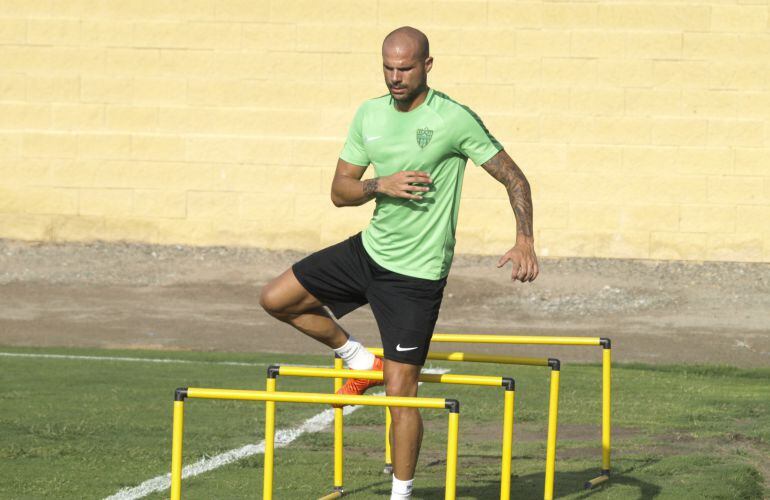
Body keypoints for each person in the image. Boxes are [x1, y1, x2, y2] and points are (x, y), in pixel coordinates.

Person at [259, 26, 538, 499]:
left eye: (404, 68)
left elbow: (514, 178)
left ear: (427, 66)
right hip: (368, 252)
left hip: (416, 278)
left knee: (400, 394)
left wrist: (525, 240)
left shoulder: (453, 119)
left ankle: (401, 494)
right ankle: (356, 358)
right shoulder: (368, 114)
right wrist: (378, 185)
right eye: (388, 67)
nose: (395, 77)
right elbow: (339, 191)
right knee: (276, 298)